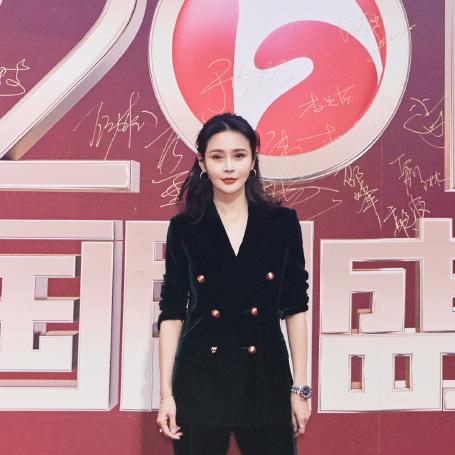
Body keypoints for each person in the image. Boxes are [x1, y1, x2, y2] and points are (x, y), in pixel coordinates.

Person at [156, 113, 311, 455]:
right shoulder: (185, 227)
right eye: (217, 156)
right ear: (202, 163)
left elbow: (295, 307)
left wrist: (300, 389)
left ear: (253, 160)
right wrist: (166, 394)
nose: (228, 167)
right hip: (200, 378)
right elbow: (172, 311)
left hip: (266, 377)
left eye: (239, 155)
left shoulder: (282, 223)